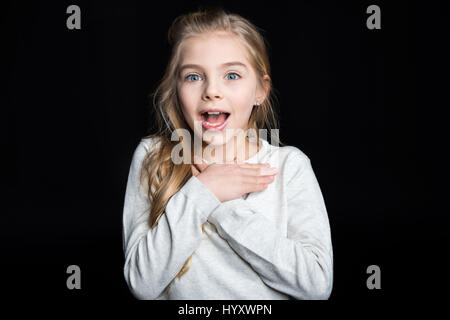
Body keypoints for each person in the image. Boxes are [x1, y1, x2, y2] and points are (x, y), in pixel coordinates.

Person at [122, 7, 333, 300]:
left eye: (232, 75)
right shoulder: (152, 157)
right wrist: (203, 191)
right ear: (175, 89)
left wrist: (222, 204)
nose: (212, 91)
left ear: (260, 90)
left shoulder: (289, 166)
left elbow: (316, 285)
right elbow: (142, 284)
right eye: (194, 77)